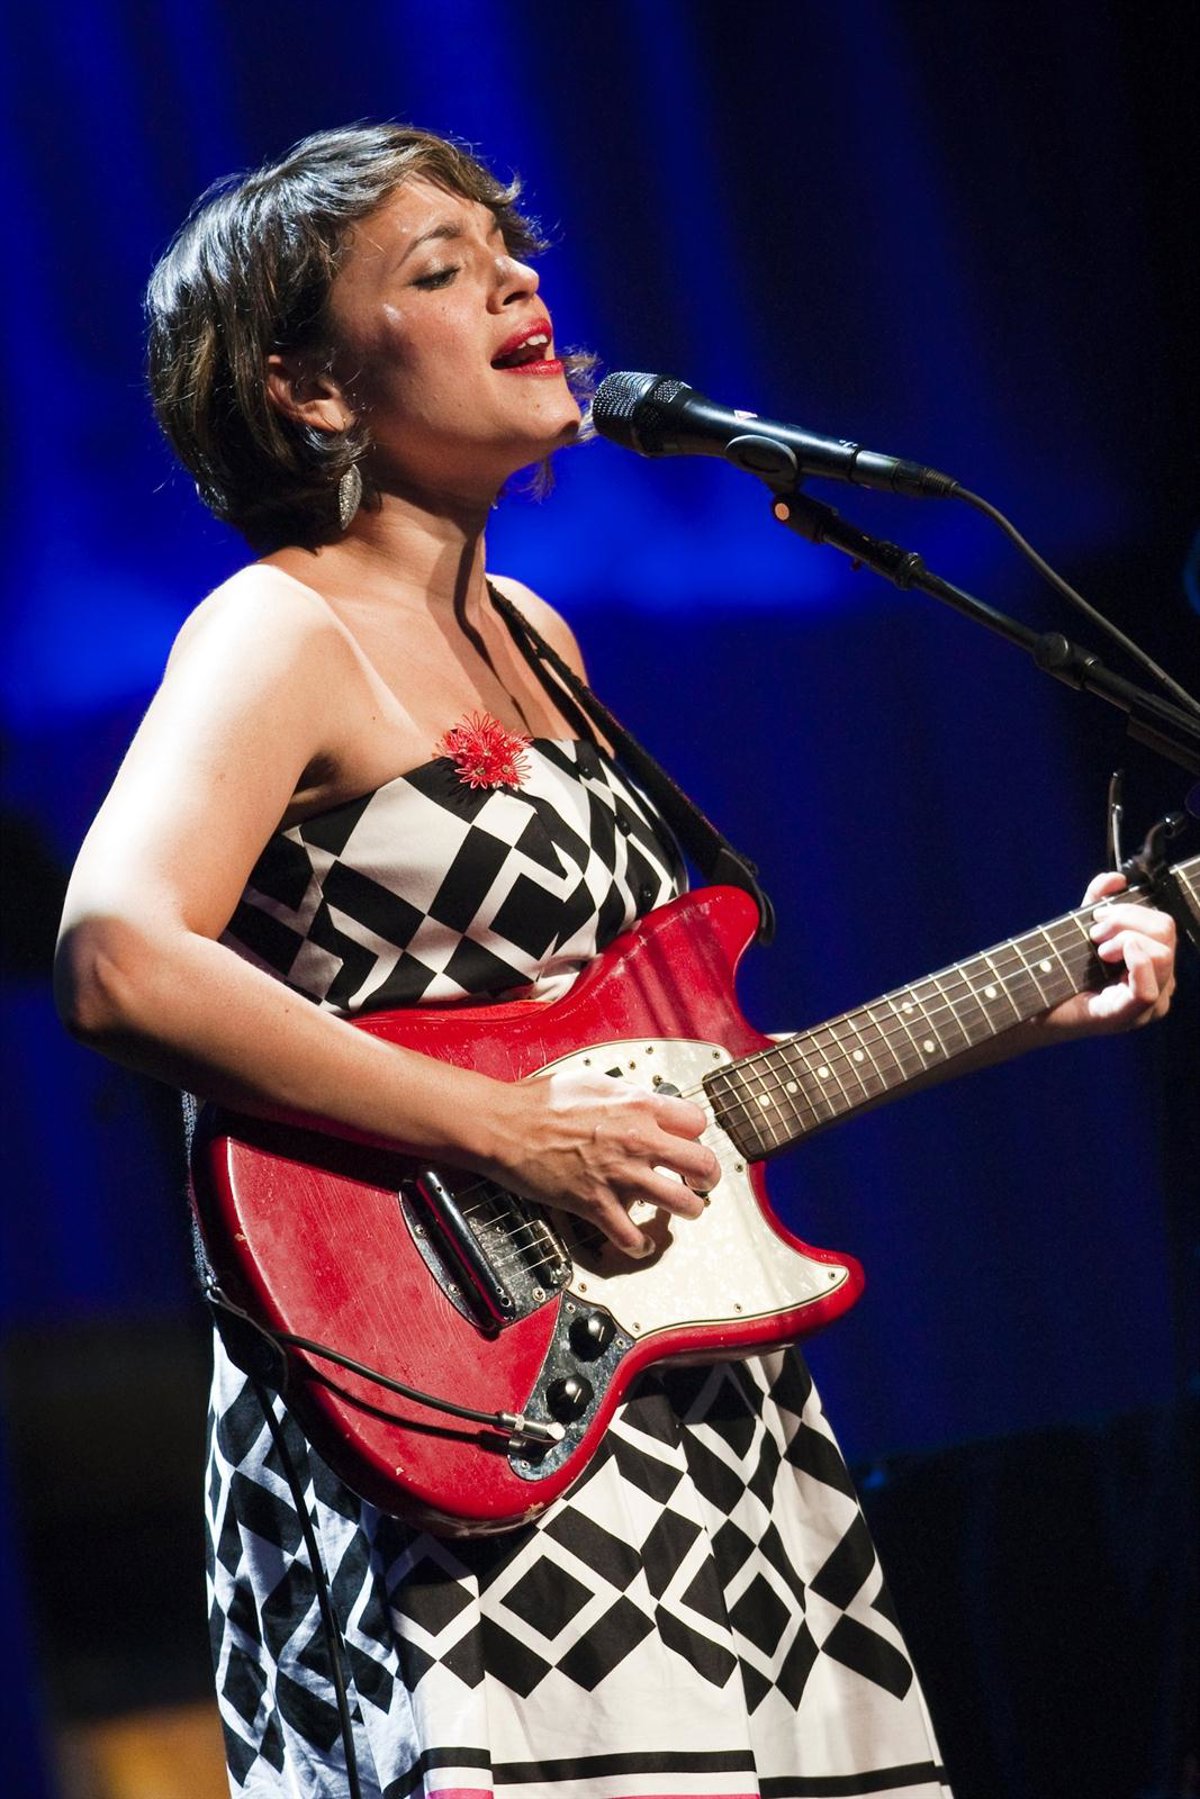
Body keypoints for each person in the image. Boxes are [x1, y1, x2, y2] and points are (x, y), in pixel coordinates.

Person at [55, 124, 1177, 1799]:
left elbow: (668, 1080)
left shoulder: (540, 640)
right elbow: (117, 956)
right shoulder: (282, 626)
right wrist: (510, 1136)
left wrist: (1036, 1003)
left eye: (510, 247)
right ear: (311, 388)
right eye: (441, 268)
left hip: (681, 1391)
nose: (518, 279)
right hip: (446, 1413)